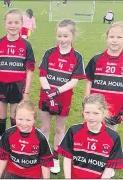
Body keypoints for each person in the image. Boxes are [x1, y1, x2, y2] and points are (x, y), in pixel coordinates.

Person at [38, 19, 85, 174]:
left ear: (73, 36)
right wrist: (48, 94)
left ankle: (55, 158)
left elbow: (74, 81)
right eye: (59, 36)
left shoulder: (77, 56)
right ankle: (43, 155)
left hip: (63, 99)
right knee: (45, 127)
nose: (62, 39)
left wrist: (56, 92)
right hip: (46, 96)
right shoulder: (49, 52)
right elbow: (43, 75)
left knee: (59, 129)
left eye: (66, 36)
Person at [84, 21, 123, 131]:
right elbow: (89, 82)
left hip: (115, 108)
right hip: (94, 107)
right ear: (107, 38)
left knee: (109, 135)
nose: (114, 40)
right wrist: (86, 104)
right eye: (111, 37)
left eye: (119, 37)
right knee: (91, 134)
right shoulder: (96, 59)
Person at [0, 8, 36, 136]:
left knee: (15, 117)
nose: (13, 26)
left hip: (17, 86)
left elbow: (30, 70)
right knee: (1, 116)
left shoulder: (26, 45)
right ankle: (0, 141)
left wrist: (26, 92)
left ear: (21, 24)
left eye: (16, 23)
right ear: (5, 24)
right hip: (1, 85)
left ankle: (14, 140)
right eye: (10, 22)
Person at [57, 93, 123, 179]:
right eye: (87, 112)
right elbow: (67, 158)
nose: (91, 117)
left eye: (96, 113)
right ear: (83, 112)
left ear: (104, 113)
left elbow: (109, 167)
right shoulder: (73, 131)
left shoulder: (113, 137)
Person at [0, 100, 54, 179]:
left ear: (34, 120)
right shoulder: (8, 134)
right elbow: (3, 159)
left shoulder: (40, 138)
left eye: (28, 120)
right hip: (13, 172)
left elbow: (45, 163)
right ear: (15, 117)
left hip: (32, 174)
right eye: (20, 119)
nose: (24, 123)